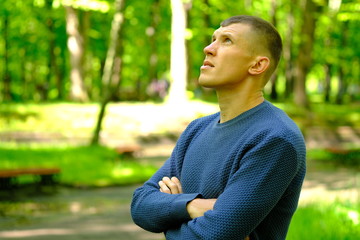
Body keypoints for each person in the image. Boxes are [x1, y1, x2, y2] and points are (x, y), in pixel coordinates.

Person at [131, 15, 306, 240]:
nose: (208, 48)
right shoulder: (197, 129)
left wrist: (170, 213)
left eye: (227, 41)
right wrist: (192, 207)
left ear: (258, 65)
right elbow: (140, 204)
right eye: (213, 39)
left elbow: (212, 235)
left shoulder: (275, 138)